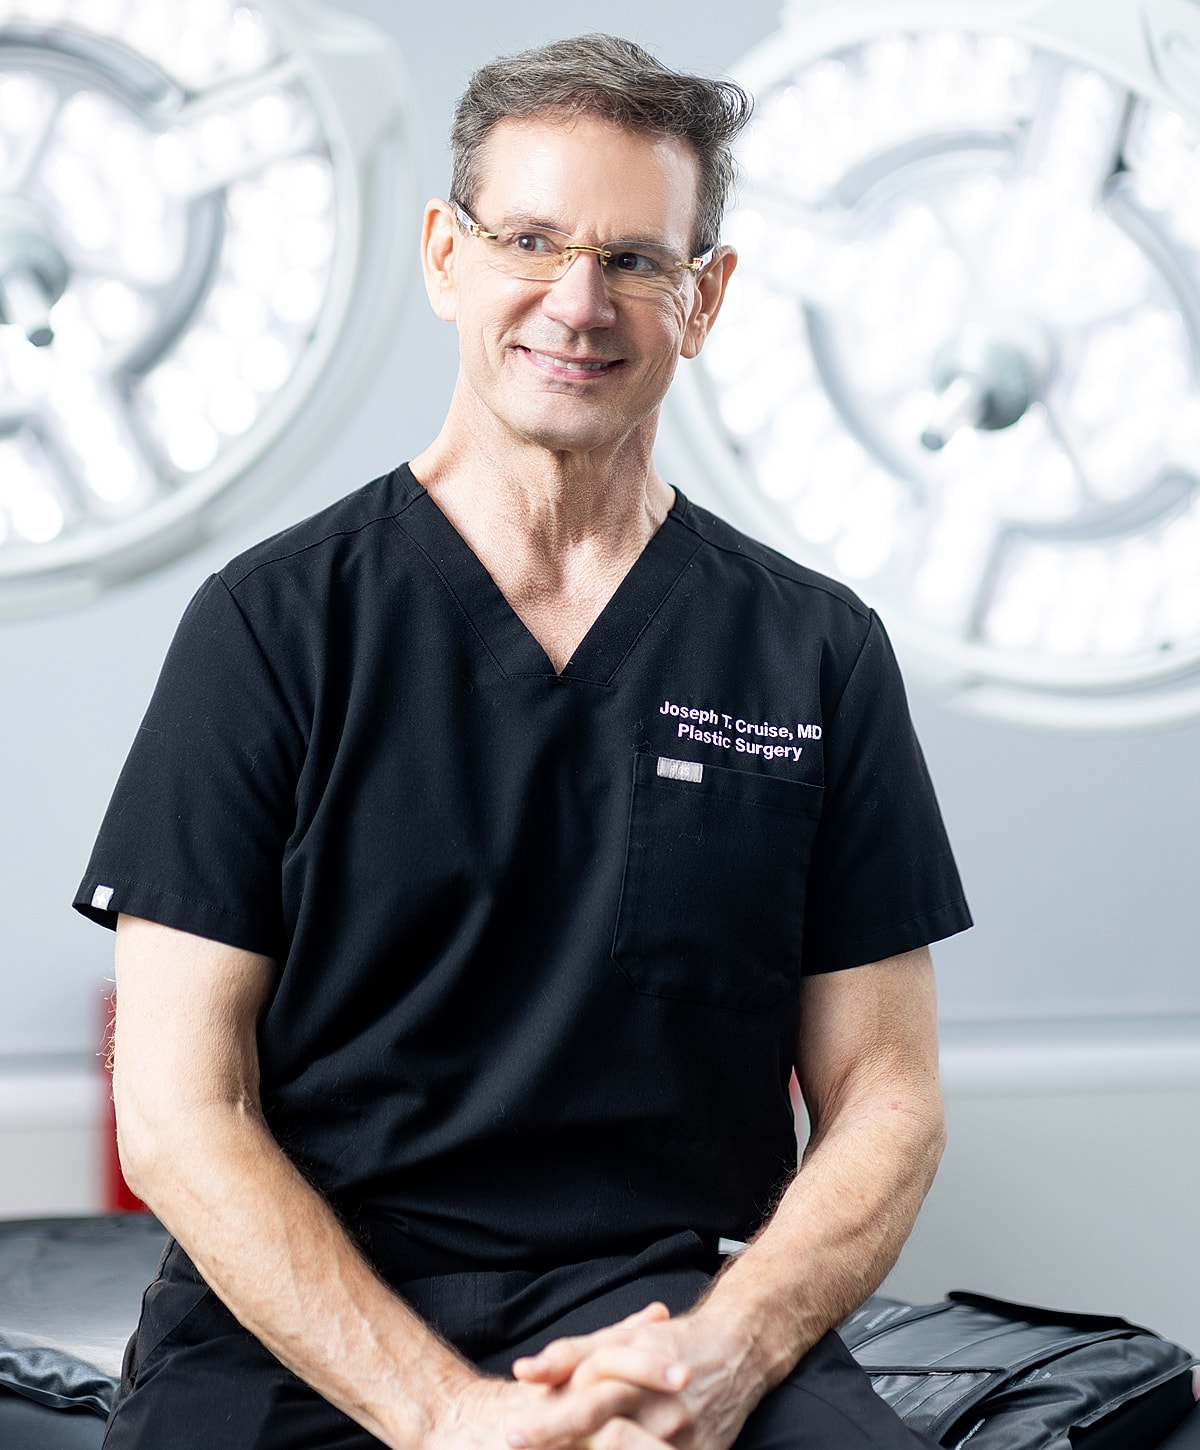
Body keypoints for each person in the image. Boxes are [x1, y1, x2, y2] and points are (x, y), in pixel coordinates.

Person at [75, 33, 971, 1450]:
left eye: (634, 258)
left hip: (666, 1311)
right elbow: (183, 1110)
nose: (577, 301)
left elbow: (887, 1091)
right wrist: (444, 1418)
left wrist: (724, 1356)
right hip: (299, 1325)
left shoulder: (812, 651)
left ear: (707, 295)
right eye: (530, 240)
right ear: (445, 255)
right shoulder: (272, 626)